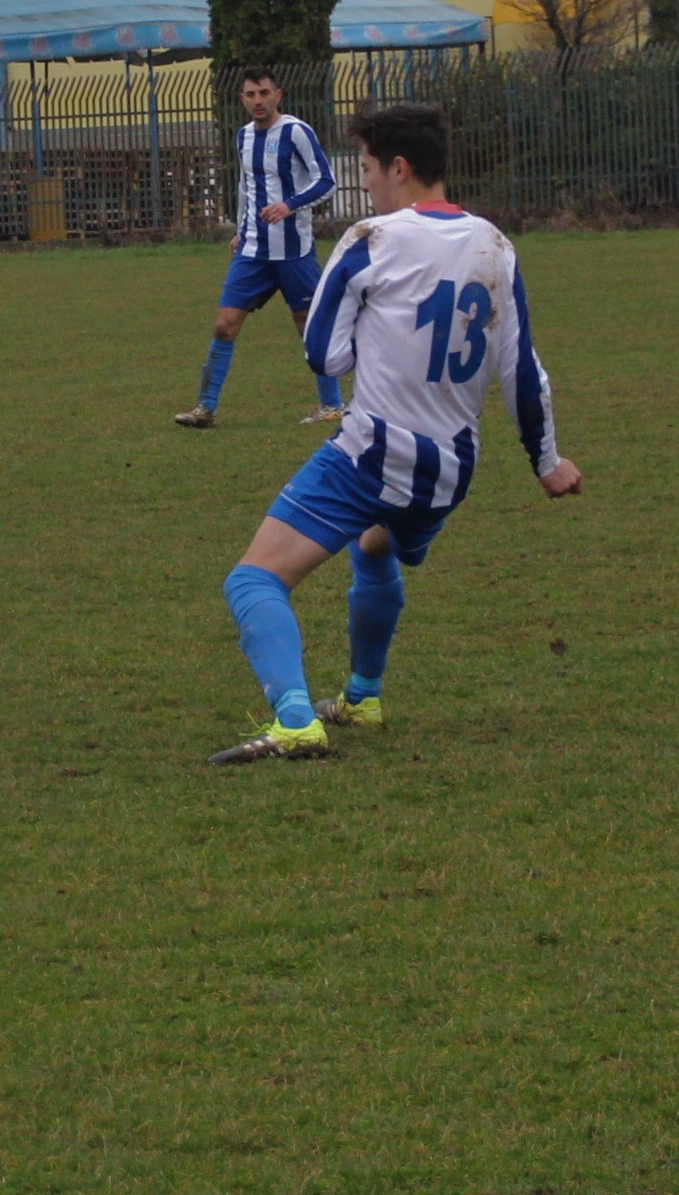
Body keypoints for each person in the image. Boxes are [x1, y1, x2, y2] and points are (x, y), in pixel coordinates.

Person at [207, 100, 583, 764]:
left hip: (373, 455)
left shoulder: (371, 238)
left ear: (399, 168)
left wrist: (375, 341)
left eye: (368, 171)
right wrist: (547, 462)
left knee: (252, 581)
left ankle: (295, 721)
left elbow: (324, 355)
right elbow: (523, 372)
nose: (366, 185)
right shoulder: (496, 246)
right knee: (376, 544)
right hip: (450, 470)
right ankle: (363, 696)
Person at [175, 66, 345, 429]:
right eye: (251, 94)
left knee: (308, 325)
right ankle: (205, 407)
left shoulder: (296, 132)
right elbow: (245, 186)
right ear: (242, 99)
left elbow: (326, 181)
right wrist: (240, 230)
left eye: (264, 93)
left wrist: (290, 205)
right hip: (252, 251)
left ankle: (332, 405)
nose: (258, 100)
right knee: (224, 325)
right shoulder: (244, 136)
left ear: (277, 95)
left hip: (294, 251)